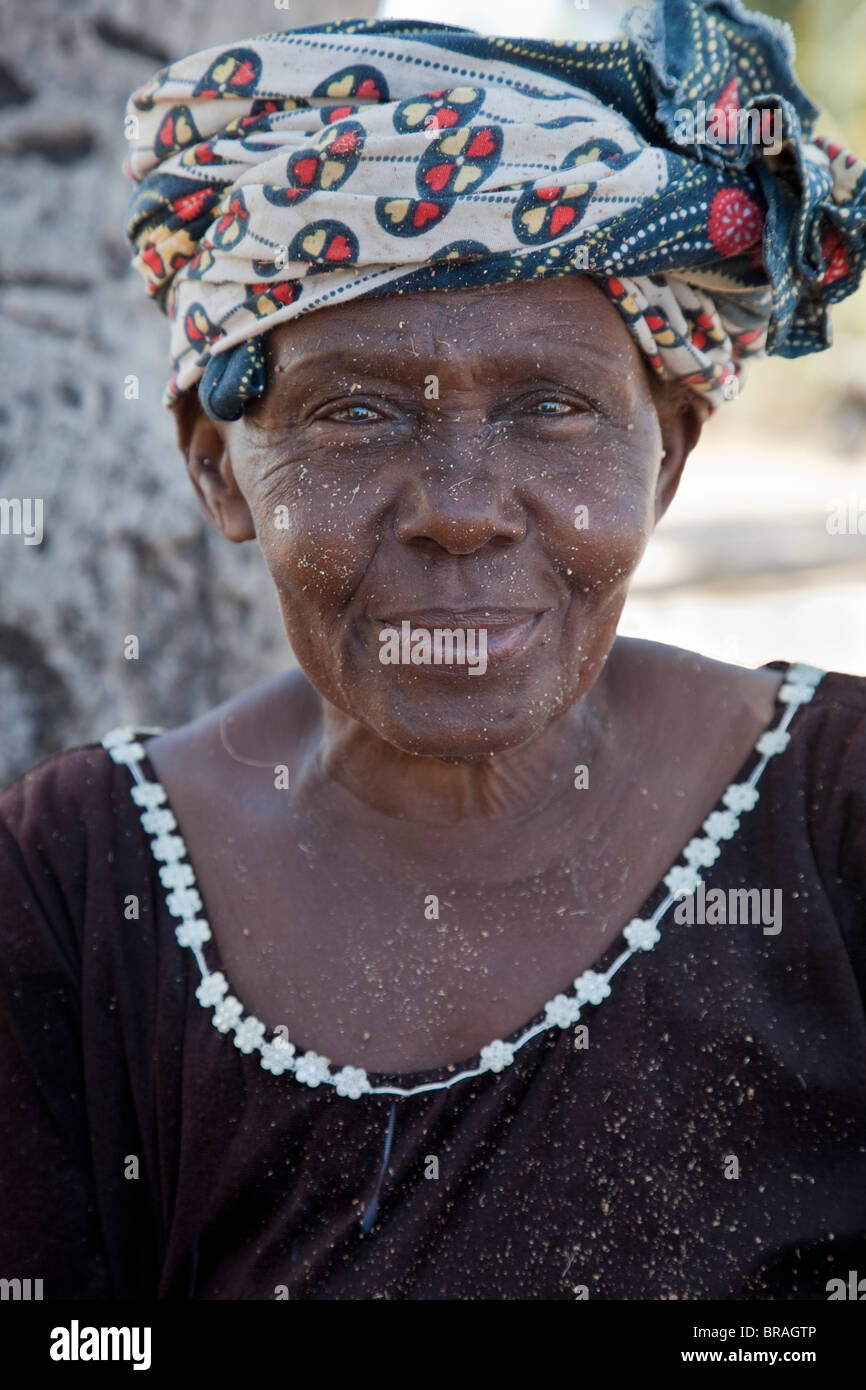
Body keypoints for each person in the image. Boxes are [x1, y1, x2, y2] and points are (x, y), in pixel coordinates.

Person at [1, 1, 865, 1300]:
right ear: (217, 471)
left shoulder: (837, 813)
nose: (460, 506)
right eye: (351, 413)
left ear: (669, 454)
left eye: (549, 408)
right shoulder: (72, 880)